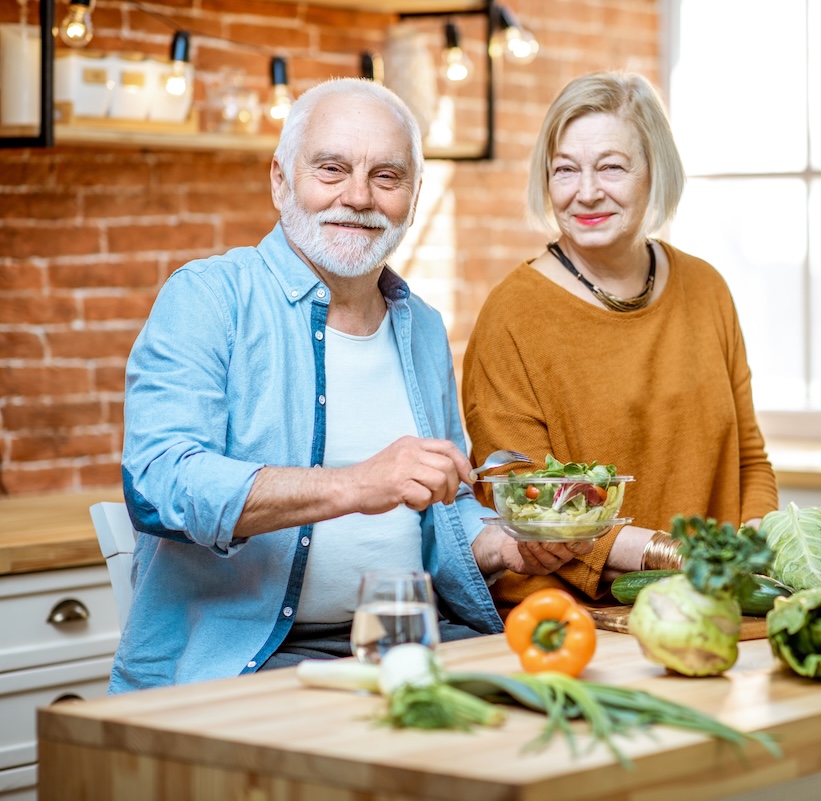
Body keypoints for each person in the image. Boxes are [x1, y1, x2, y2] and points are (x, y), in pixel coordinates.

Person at [110, 78, 585, 693]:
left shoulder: (423, 327)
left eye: (387, 177)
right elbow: (158, 483)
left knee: (569, 726)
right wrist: (356, 484)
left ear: (413, 197)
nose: (358, 197)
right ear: (281, 181)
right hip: (250, 662)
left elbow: (443, 509)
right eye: (331, 169)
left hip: (411, 642)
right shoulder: (207, 298)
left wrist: (504, 547)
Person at [461, 71, 777, 616]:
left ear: (655, 173)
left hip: (712, 605)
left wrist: (752, 556)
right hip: (573, 618)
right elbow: (530, 512)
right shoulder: (512, 315)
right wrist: (674, 555)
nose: (586, 192)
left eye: (611, 166)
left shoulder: (706, 289)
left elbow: (749, 460)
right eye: (565, 169)